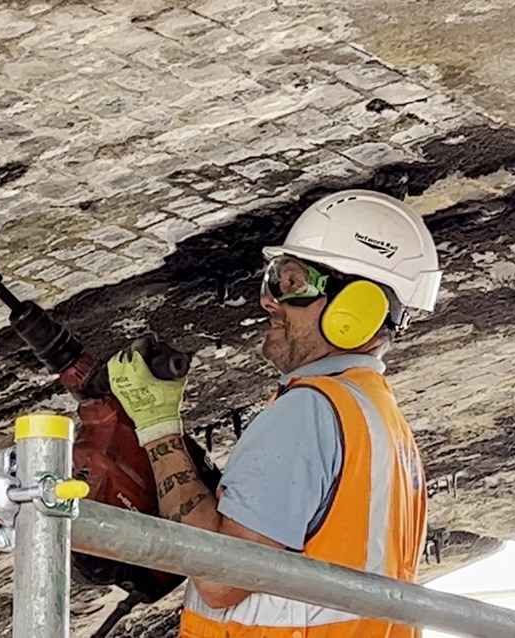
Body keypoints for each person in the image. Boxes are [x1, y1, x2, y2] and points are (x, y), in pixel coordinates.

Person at [107, 189, 443, 638]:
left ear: (356, 310)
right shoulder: (379, 419)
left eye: (291, 284)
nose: (269, 301)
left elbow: (221, 579)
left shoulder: (309, 412)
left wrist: (159, 429)